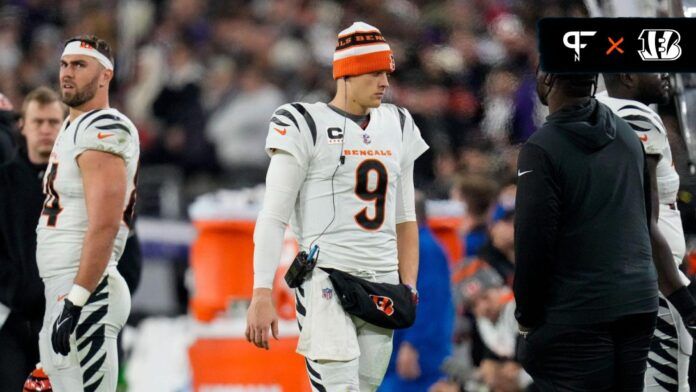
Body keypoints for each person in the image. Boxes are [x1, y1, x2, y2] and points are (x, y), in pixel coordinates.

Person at [245, 21, 429, 391]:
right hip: (325, 277)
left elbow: (405, 216)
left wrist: (408, 284)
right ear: (348, 72)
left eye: (387, 73)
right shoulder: (303, 123)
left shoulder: (398, 124)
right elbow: (273, 215)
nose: (385, 82)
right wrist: (261, 291)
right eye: (375, 72)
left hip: (381, 281)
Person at [514, 70, 696, 390]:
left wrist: (527, 317)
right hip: (644, 296)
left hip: (590, 305)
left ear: (548, 81)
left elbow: (534, 241)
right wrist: (683, 299)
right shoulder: (627, 129)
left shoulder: (545, 144)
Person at [35, 35, 140, 392]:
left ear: (105, 75)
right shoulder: (72, 127)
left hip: (87, 291)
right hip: (64, 288)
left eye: (80, 65)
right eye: (64, 65)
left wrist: (78, 299)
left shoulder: (103, 126)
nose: (67, 73)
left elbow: (105, 222)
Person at [598, 73, 693, 391]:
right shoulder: (634, 115)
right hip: (651, 287)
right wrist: (681, 296)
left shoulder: (590, 112)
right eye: (655, 67)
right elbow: (639, 216)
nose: (667, 75)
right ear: (627, 76)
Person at [0, 87, 65, 391]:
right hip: (10, 322)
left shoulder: (75, 182)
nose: (45, 130)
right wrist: (13, 289)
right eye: (38, 121)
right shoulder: (4, 181)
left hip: (61, 322)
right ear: (22, 125)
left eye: (53, 122)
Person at [380, 192, 454, 392]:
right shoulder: (408, 247)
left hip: (417, 356)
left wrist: (414, 345)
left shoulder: (426, 249)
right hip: (401, 349)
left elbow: (431, 302)